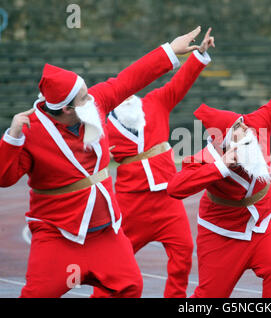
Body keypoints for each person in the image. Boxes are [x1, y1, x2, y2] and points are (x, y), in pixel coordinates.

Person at [0, 27, 204, 298]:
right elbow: (5, 178)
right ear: (66, 109)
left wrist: (170, 50)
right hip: (58, 235)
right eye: (84, 96)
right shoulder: (31, 131)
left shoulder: (94, 103)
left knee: (130, 287)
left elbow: (128, 79)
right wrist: (12, 137)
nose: (91, 98)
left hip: (105, 233)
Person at [167, 28, 271, 298]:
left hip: (264, 221)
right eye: (237, 129)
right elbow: (175, 188)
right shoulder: (204, 158)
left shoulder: (256, 124)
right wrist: (221, 166)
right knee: (209, 296)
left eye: (242, 123)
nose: (245, 130)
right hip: (220, 233)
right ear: (221, 141)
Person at [92, 27, 214, 298]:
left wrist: (200, 55)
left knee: (183, 252)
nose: (128, 95)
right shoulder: (102, 124)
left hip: (168, 197)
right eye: (121, 94)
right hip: (131, 201)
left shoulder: (155, 102)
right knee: (116, 260)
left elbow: (179, 83)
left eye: (130, 91)